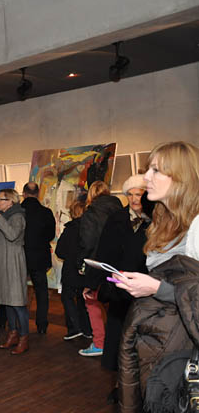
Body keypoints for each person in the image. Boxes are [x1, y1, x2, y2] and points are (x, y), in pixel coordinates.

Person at [115, 142, 199, 411]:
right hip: (162, 341)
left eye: (156, 170)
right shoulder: (163, 218)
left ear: (181, 177)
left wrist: (156, 288)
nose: (146, 178)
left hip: (183, 349)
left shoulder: (197, 225)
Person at [94, 175, 151, 404]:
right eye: (131, 194)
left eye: (139, 194)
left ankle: (143, 388)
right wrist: (97, 282)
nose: (135, 199)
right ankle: (120, 386)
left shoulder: (155, 219)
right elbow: (103, 251)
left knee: (142, 340)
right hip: (118, 290)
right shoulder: (116, 218)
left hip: (144, 291)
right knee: (119, 339)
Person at [77, 181, 123, 357]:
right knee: (116, 304)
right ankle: (118, 343)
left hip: (96, 264)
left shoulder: (91, 213)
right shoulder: (121, 211)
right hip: (117, 264)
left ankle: (99, 342)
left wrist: (81, 263)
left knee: (91, 301)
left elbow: (88, 243)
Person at [0, 189, 29, 355]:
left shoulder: (17, 216)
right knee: (7, 301)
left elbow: (12, 235)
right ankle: (12, 334)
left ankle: (24, 338)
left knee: (17, 303)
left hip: (13, 262)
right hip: (2, 262)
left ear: (10, 201)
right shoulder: (5, 216)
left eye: (0, 199)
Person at [21, 182, 56, 334]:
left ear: (24, 194)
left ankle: (12, 322)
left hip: (20, 257)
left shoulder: (17, 212)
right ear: (38, 194)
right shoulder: (46, 212)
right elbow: (51, 235)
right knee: (41, 292)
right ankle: (42, 325)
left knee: (17, 290)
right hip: (40, 258)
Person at [55, 200, 91, 341]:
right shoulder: (91, 229)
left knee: (67, 297)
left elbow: (59, 251)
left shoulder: (69, 229)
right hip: (85, 269)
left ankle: (74, 327)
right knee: (84, 300)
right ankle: (87, 329)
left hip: (70, 269)